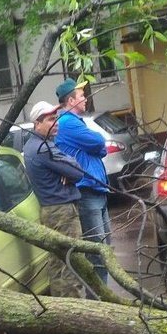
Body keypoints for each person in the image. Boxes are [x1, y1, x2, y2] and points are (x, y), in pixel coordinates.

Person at [22, 101, 87, 298]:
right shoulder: (43, 148)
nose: (56, 123)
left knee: (58, 262)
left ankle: (64, 310)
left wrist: (67, 167)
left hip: (53, 211)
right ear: (37, 123)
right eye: (51, 119)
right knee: (71, 262)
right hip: (62, 212)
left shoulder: (36, 145)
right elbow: (78, 171)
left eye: (57, 118)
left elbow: (72, 170)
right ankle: (76, 314)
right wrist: (68, 168)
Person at [54, 78, 111, 285]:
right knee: (98, 253)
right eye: (81, 96)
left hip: (97, 191)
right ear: (70, 100)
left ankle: (105, 299)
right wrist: (97, 145)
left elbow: (101, 148)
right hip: (87, 193)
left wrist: (97, 146)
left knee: (105, 249)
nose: (85, 99)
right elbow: (98, 141)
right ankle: (100, 303)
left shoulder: (76, 121)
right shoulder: (66, 123)